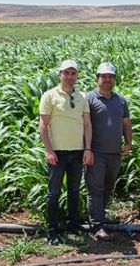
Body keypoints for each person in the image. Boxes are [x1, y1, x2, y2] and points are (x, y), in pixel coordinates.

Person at [39, 59, 93, 245]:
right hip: (57, 153)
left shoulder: (82, 97)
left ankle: (72, 225)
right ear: (59, 74)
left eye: (73, 73)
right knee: (53, 193)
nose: (69, 77)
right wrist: (49, 151)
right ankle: (52, 230)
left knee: (74, 191)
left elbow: (87, 124)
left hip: (77, 152)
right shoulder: (49, 96)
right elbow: (43, 126)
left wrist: (87, 148)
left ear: (76, 75)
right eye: (66, 73)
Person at [85, 62, 132, 241]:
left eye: (111, 76)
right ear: (97, 78)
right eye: (104, 76)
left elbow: (126, 123)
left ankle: (100, 218)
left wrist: (128, 142)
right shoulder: (88, 99)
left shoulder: (120, 100)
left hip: (115, 153)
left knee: (107, 187)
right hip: (96, 153)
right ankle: (97, 226)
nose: (107, 80)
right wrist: (87, 149)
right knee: (95, 189)